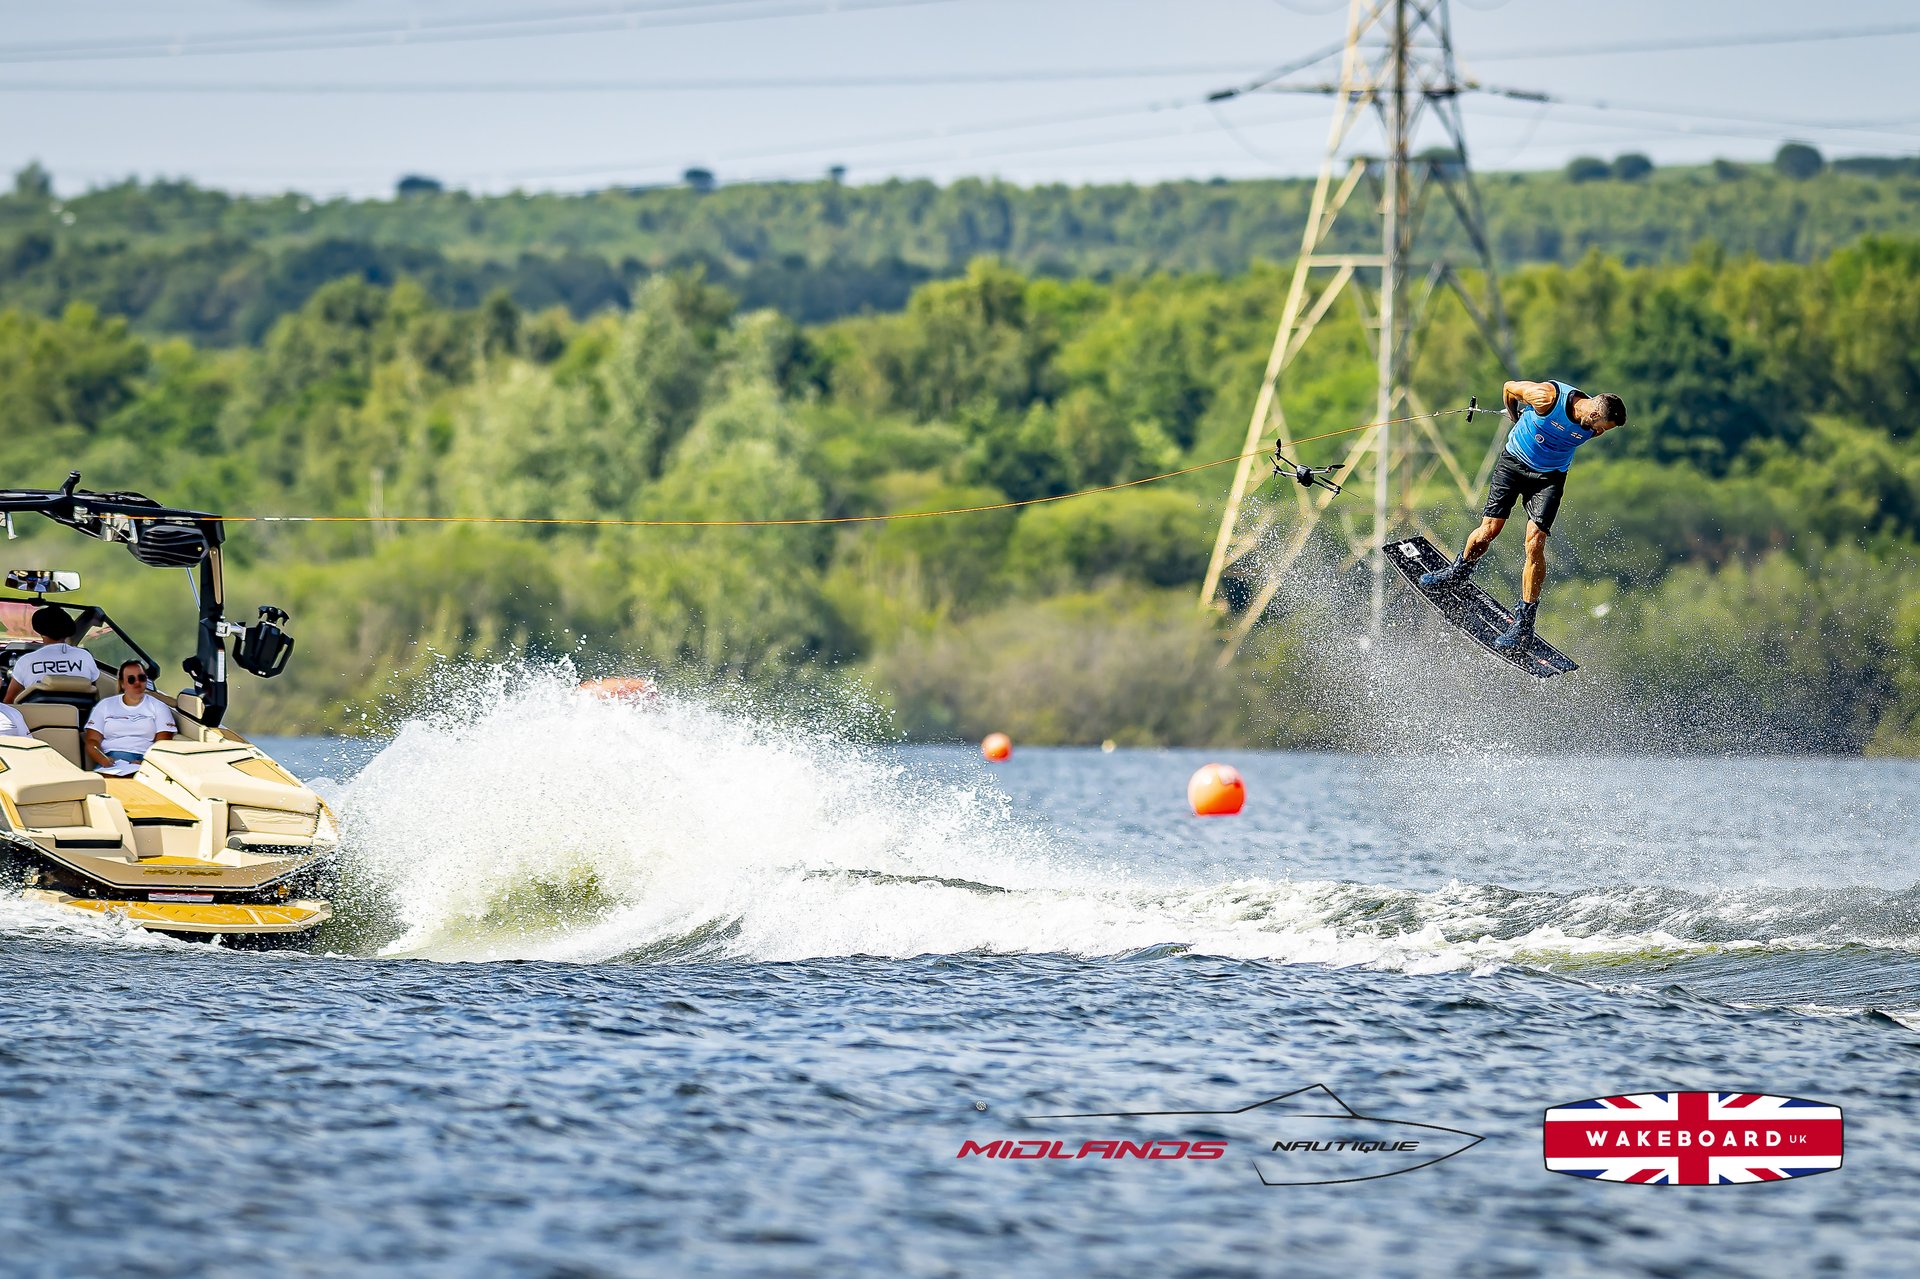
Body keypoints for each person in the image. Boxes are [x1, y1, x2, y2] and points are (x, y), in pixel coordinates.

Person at [1419, 378, 1628, 650]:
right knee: (1489, 531)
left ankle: (1524, 624)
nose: (1601, 433)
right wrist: (1514, 415)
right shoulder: (1546, 398)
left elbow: (1571, 435)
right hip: (1513, 464)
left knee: (1535, 543)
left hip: (1549, 478)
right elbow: (1508, 386)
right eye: (1602, 427)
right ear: (1594, 414)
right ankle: (1457, 573)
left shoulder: (1595, 427)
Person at [84, 661, 176, 776]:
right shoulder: (105, 705)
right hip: (112, 759)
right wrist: (103, 759)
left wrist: (145, 763)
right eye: (131, 679)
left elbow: (163, 744)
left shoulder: (159, 707)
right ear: (122, 684)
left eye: (141, 678)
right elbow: (91, 741)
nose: (137, 682)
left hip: (145, 758)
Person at [4, 605, 101, 703]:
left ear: (40, 631)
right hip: (79, 717)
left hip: (36, 718)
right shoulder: (84, 657)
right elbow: (96, 693)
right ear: (67, 629)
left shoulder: (26, 661)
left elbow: (9, 702)